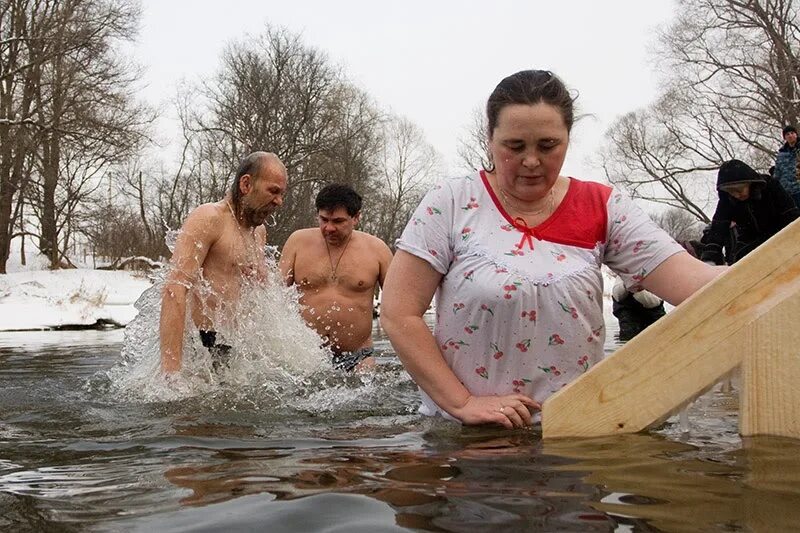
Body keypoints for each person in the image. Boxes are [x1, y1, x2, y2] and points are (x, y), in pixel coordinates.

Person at [380, 70, 725, 429]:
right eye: (514, 147)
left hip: (573, 431)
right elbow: (398, 312)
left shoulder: (603, 206)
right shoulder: (452, 202)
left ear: (567, 139)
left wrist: (784, 267)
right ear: (489, 139)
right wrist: (463, 402)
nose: (531, 161)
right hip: (465, 434)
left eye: (547, 146)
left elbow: (698, 285)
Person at [160, 152, 288, 373]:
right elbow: (175, 289)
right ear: (246, 184)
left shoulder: (258, 232)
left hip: (234, 344)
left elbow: (260, 295)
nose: (279, 201)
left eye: (281, 193)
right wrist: (171, 372)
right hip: (198, 344)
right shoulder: (209, 218)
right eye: (273, 191)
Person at [279, 184, 393, 371]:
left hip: (358, 357)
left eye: (338, 221)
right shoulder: (297, 242)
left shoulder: (377, 250)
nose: (329, 228)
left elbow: (399, 306)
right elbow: (275, 294)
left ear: (356, 217)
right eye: (324, 219)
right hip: (305, 356)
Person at [699, 159, 799, 265]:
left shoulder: (769, 185)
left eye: (739, 190)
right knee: (739, 261)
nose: (737, 195)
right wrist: (711, 256)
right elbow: (718, 227)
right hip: (750, 242)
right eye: (731, 192)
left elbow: (790, 213)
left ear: (750, 183)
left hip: (779, 233)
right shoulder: (727, 200)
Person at [611, 277, 666, 341]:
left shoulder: (655, 275)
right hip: (628, 313)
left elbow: (654, 303)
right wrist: (627, 285)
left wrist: (638, 290)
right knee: (628, 338)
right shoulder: (623, 275)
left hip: (653, 312)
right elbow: (617, 296)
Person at [774, 125, 800, 206]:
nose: (790, 135)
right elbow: (777, 171)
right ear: (785, 137)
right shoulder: (781, 154)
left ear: (796, 134)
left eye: (792, 133)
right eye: (787, 134)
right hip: (787, 192)